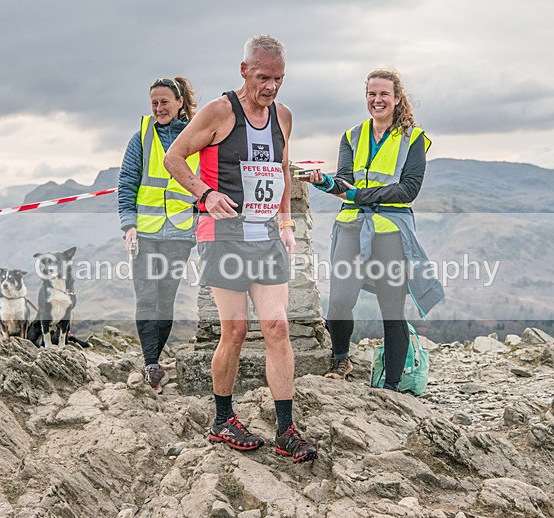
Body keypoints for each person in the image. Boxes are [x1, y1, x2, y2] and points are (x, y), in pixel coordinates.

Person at [164, 35, 316, 463]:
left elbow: (281, 169)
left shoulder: (282, 116)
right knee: (234, 330)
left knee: (278, 328)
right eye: (264, 77)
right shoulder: (219, 111)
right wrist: (204, 194)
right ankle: (222, 420)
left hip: (265, 234)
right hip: (223, 235)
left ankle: (286, 429)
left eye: (279, 79)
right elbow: (174, 158)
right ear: (244, 70)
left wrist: (285, 221)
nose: (270, 88)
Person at [305, 69, 444, 390]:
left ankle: (392, 384)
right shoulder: (352, 136)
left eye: (384, 94)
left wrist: (359, 195)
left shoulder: (413, 139)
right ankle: (340, 359)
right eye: (371, 94)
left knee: (391, 307)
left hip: (390, 232)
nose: (377, 100)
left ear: (397, 99)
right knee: (339, 300)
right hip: (351, 227)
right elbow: (344, 183)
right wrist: (324, 181)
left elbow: (409, 189)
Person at [117, 76, 199, 394]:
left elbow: (206, 181)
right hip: (146, 231)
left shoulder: (197, 134)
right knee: (147, 296)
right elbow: (127, 183)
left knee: (166, 299)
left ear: (179, 102)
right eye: (154, 102)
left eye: (165, 101)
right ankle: (151, 363)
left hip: (180, 232)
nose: (159, 108)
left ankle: (155, 357)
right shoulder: (141, 137)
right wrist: (129, 225)